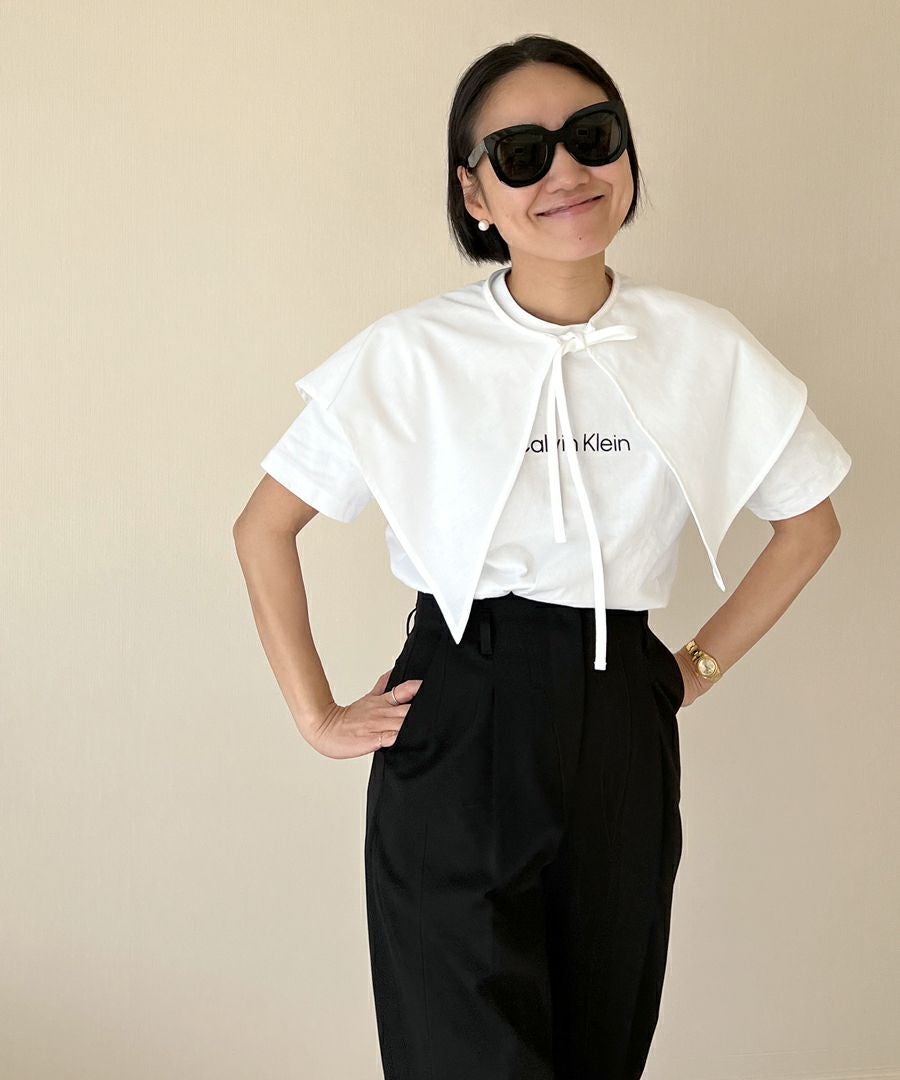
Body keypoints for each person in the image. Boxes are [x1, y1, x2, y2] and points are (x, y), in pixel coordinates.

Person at [233, 34, 851, 1080]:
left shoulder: (701, 346)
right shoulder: (413, 353)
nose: (565, 172)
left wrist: (693, 668)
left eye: (592, 138)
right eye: (521, 154)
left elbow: (810, 524)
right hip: (461, 706)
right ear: (475, 195)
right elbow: (264, 527)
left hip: (622, 717)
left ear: (626, 157)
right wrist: (316, 713)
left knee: (599, 1046)